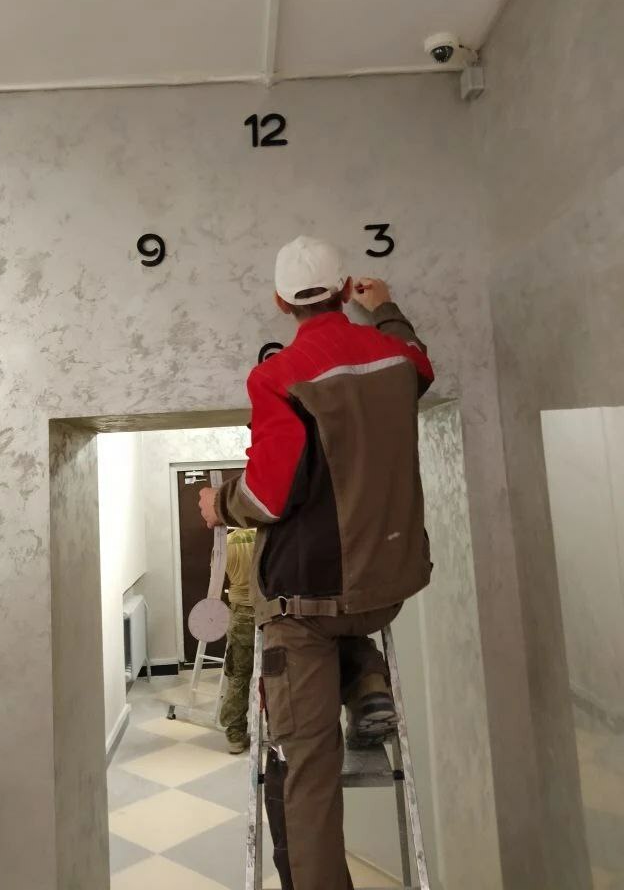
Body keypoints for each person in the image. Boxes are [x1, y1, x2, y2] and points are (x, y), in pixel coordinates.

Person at [198, 235, 433, 890]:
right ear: (343, 289)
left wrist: (219, 504)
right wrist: (384, 310)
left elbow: (266, 497)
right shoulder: (395, 359)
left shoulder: (277, 377)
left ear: (281, 303)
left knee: (307, 774)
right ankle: (365, 677)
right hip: (384, 591)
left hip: (306, 606)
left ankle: (362, 677)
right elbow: (420, 360)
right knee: (346, 621)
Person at [219, 527, 257, 754]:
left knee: (238, 677)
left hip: (241, 614)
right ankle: (276, 732)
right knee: (275, 675)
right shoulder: (267, 535)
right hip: (270, 613)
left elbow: (216, 577)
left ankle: (235, 735)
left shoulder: (226, 542)